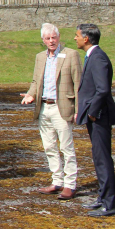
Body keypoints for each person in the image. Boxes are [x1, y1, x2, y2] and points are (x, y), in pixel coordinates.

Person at [21, 23, 81, 200]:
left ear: (59, 36)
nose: (51, 41)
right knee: (49, 147)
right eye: (47, 38)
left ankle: (70, 184)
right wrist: (30, 95)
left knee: (66, 147)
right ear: (43, 40)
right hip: (43, 107)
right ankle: (57, 181)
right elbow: (35, 81)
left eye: (54, 37)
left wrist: (79, 110)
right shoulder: (40, 57)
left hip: (62, 107)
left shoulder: (71, 54)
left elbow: (79, 84)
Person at [74, 23, 115, 217]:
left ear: (86, 38)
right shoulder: (92, 56)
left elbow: (103, 89)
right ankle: (102, 198)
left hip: (100, 116)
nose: (75, 38)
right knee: (98, 157)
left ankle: (109, 204)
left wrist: (92, 112)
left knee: (103, 159)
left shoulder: (98, 57)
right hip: (94, 116)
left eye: (77, 35)